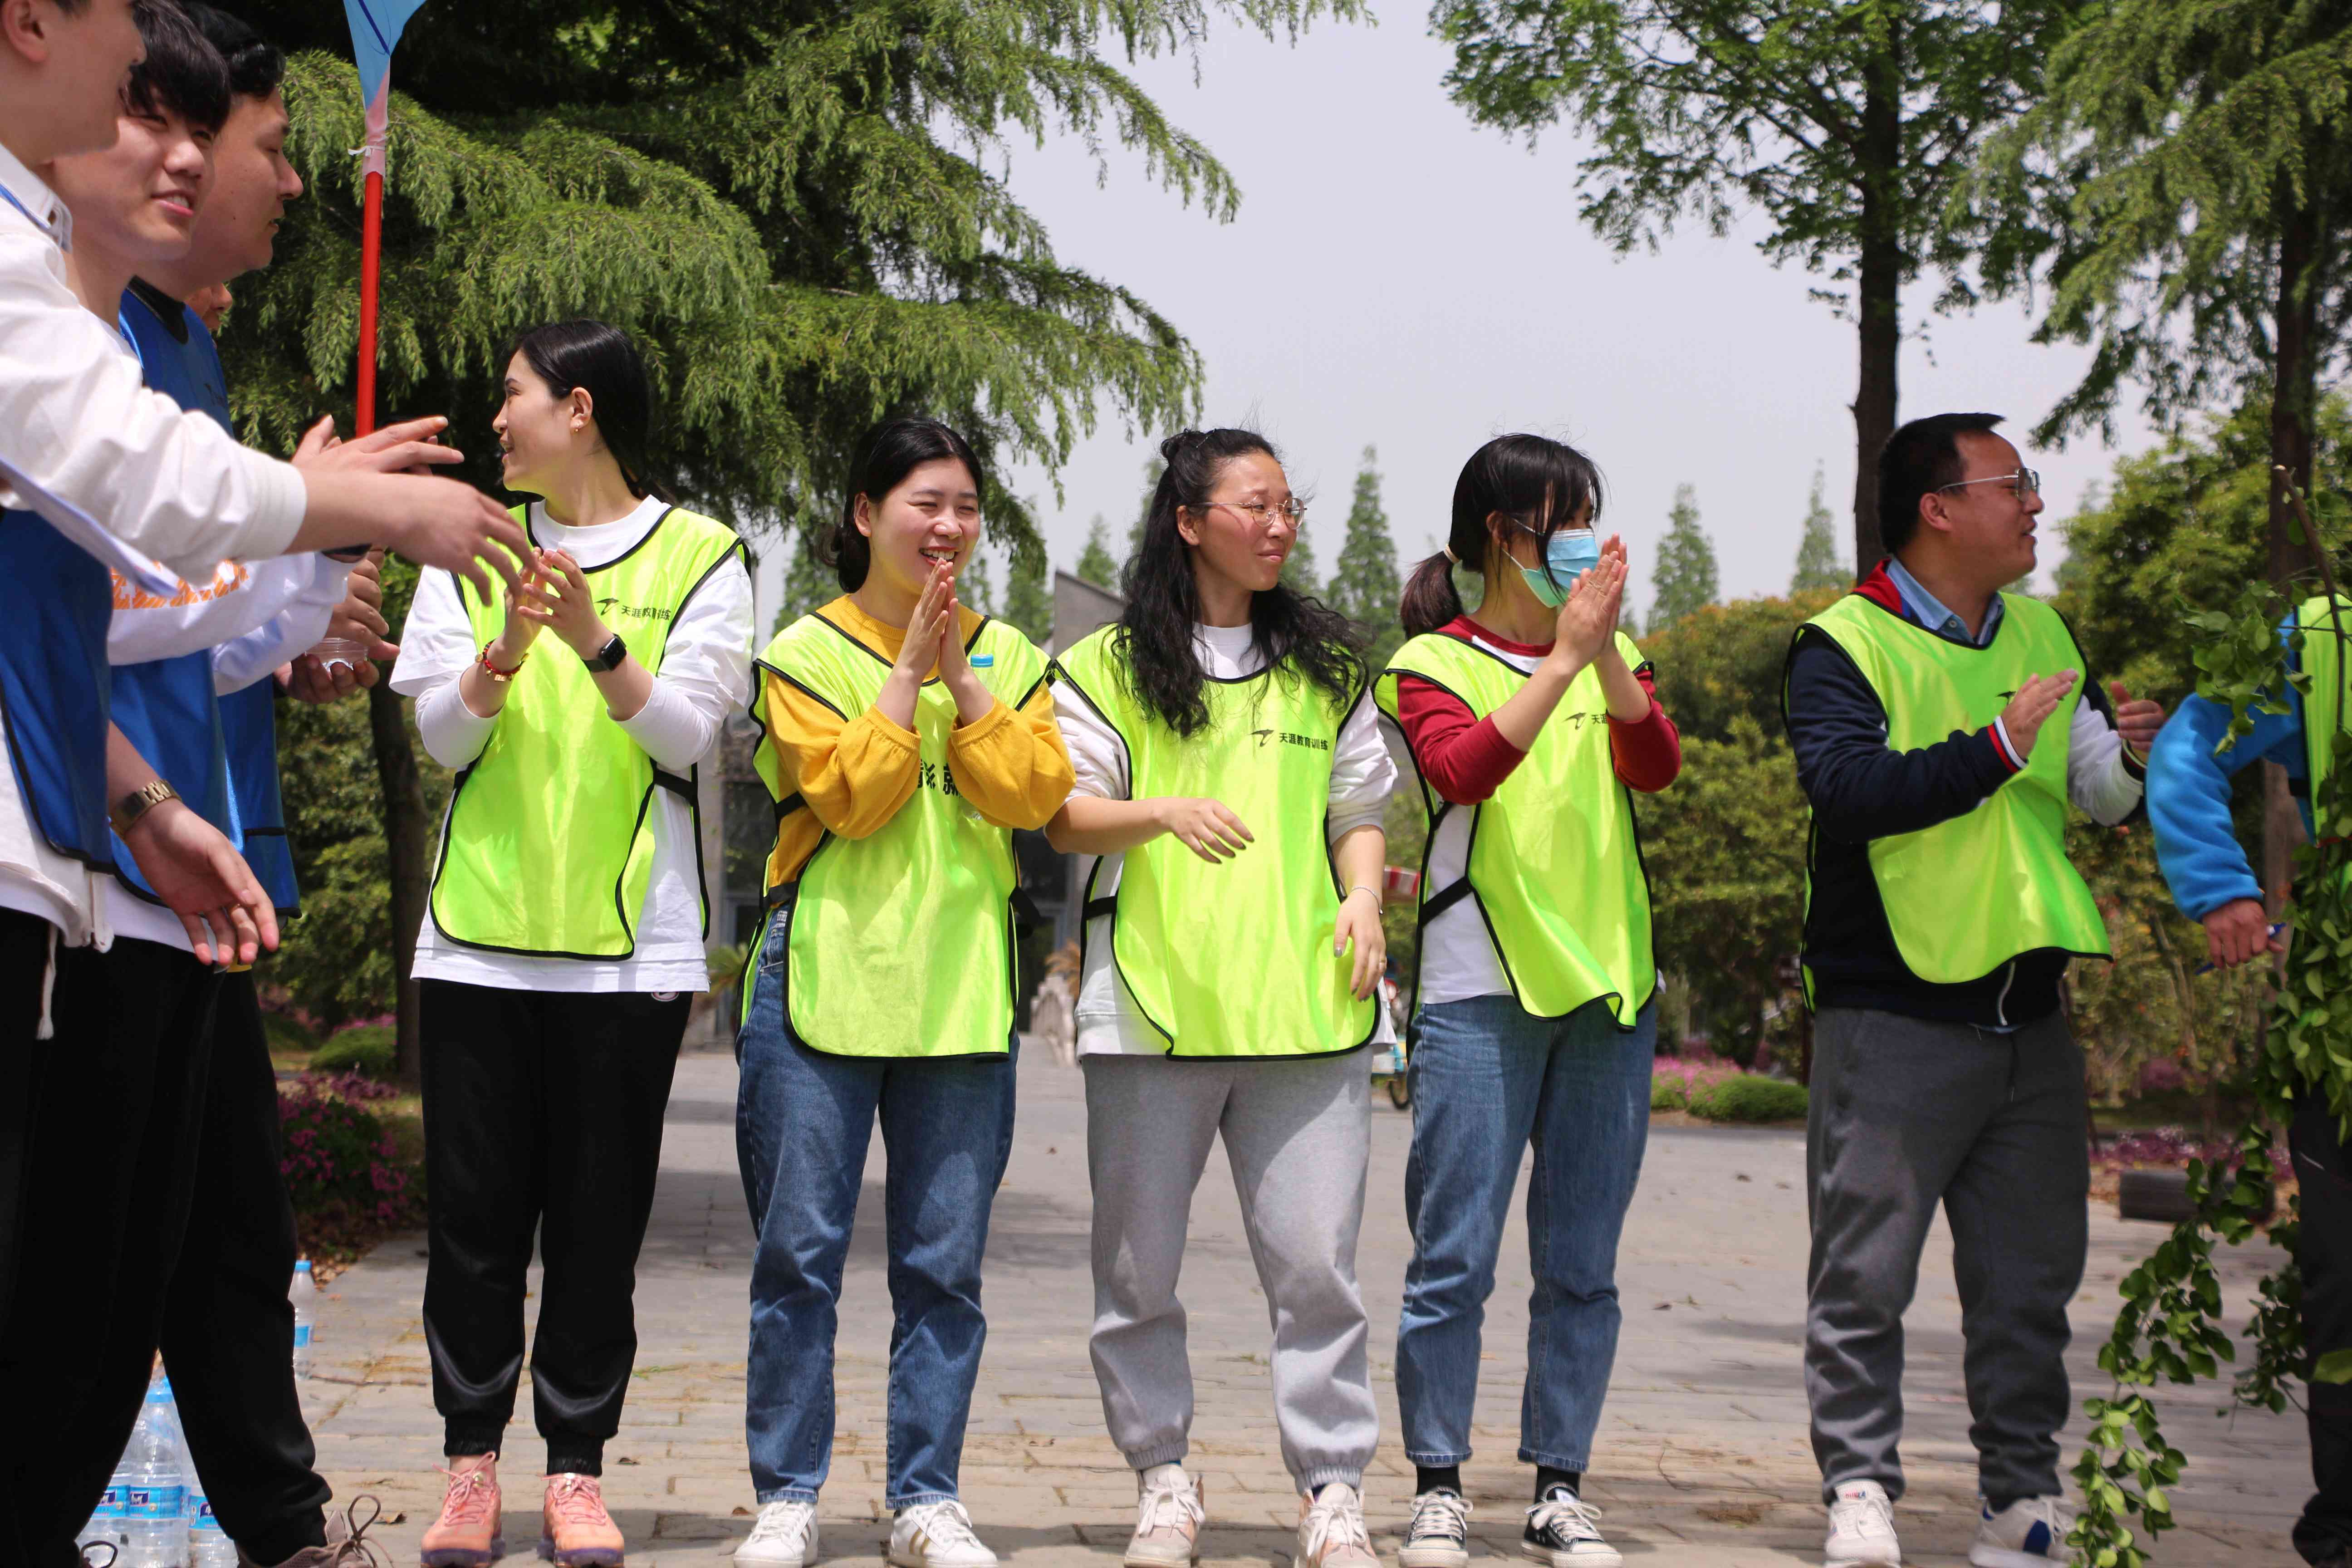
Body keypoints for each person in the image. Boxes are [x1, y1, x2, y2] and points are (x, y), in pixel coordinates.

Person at [387, 319, 752, 1568]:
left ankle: (580, 1472)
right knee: (474, 1224)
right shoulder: (465, 544)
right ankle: (470, 1468)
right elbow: (441, 741)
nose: (497, 420)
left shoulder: (705, 553)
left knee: (599, 1227)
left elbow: (692, 739)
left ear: (579, 409)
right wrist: (496, 663)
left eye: (513, 396)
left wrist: (596, 639)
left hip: (628, 953)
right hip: (479, 941)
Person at [1783, 412, 2164, 1568]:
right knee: (1864, 1274)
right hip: (1892, 1009)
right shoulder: (1842, 642)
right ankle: (1858, 1485)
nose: (2037, 503)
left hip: (2029, 1009)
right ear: (1938, 509)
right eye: (2017, 484)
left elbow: (2089, 787)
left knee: (2030, 1279)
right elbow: (1846, 790)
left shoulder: (2045, 627)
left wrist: (2132, 758)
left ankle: (2021, 1496)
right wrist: (1995, 746)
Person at [1045, 428, 1392, 1568]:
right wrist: (1163, 811)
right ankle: (1162, 1480)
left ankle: (1333, 1491)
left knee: (1319, 1271)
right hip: (1152, 1009)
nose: (1280, 524)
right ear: (1190, 523)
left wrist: (1363, 902)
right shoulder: (1102, 666)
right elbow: (1063, 817)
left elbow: (1357, 805)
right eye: (1256, 505)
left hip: (1308, 1013)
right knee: (1138, 1270)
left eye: (1291, 505)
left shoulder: (1330, 669)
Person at [731, 418, 1072, 1568]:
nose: (949, 526)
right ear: (865, 513)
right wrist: (907, 675)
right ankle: (787, 1493)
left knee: (944, 1270)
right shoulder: (802, 655)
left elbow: (1031, 795)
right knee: (800, 1259)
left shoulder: (1017, 657)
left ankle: (927, 1498)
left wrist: (962, 671)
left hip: (963, 992)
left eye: (967, 507)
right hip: (822, 985)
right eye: (926, 502)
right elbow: (850, 802)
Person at [1374, 434, 1681, 1568]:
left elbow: (1656, 766)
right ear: (1500, 535)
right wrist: (1564, 660)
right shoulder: (1429, 662)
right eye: (1560, 519)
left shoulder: (1621, 653)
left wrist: (1601, 658)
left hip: (1610, 988)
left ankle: (1561, 1484)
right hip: (1481, 988)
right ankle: (1440, 1483)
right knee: (1453, 1255)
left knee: (1582, 1263)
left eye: (1590, 515)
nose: (1581, 539)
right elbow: (1461, 773)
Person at [2146, 595, 2352, 1568]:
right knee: (2347, 1280)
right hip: (2344, 1015)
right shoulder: (2326, 636)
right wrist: (2221, 883)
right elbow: (2190, 746)